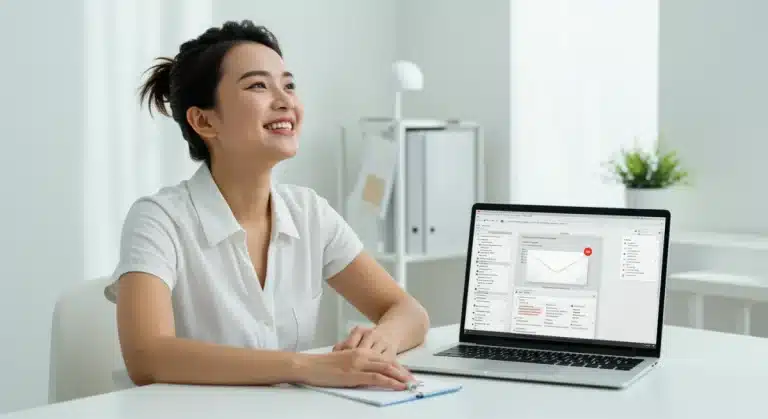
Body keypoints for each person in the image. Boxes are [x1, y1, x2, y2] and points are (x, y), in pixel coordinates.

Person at [104, 20, 430, 390]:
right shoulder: (159, 219)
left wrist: (380, 342)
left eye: (288, 85)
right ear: (204, 121)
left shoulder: (308, 212)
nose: (285, 100)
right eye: (258, 85)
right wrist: (307, 366)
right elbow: (147, 356)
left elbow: (408, 312)